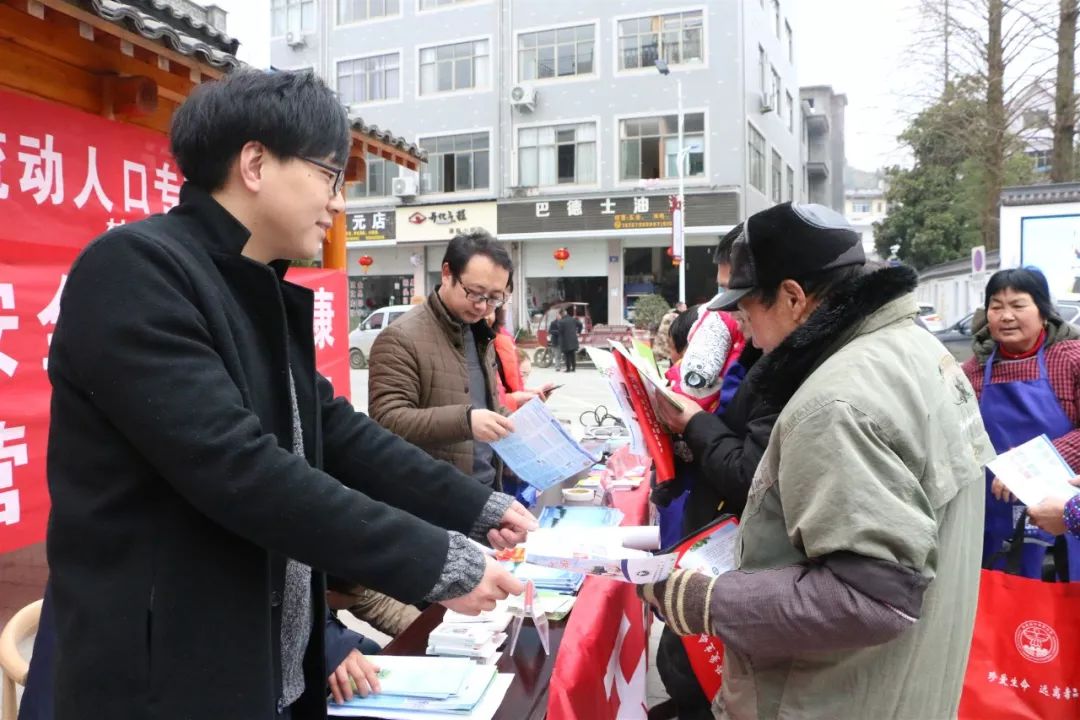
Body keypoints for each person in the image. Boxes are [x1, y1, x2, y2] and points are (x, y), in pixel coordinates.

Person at [43, 70, 536, 720]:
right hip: (164, 677)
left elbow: (338, 432)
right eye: (330, 175)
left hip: (269, 663)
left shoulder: (254, 287)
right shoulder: (135, 270)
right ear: (254, 163)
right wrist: (436, 560)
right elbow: (242, 470)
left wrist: (478, 510)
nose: (337, 202)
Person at [640, 202, 993, 719]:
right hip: (903, 685)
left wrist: (704, 601)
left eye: (746, 310)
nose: (744, 327)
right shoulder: (917, 350)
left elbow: (873, 598)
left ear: (793, 297)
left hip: (828, 695)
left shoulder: (834, 403)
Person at [369, 232, 514, 489]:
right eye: (476, 293)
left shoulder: (479, 333)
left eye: (494, 298)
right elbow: (388, 419)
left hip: (486, 487)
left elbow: (483, 404)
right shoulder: (400, 337)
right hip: (433, 496)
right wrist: (466, 422)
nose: (482, 307)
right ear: (447, 273)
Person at [962, 267, 1080, 580]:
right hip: (993, 513)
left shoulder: (1070, 358)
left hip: (1061, 511)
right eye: (996, 306)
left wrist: (1028, 465)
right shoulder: (974, 368)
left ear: (1043, 311)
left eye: (1018, 305)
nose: (1006, 316)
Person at [555, 308, 583, 372]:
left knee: (567, 355)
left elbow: (560, 331)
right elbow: (580, 325)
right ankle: (574, 368)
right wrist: (579, 332)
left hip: (565, 341)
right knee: (572, 354)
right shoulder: (572, 319)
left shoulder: (561, 322)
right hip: (573, 339)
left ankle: (568, 369)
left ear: (562, 314)